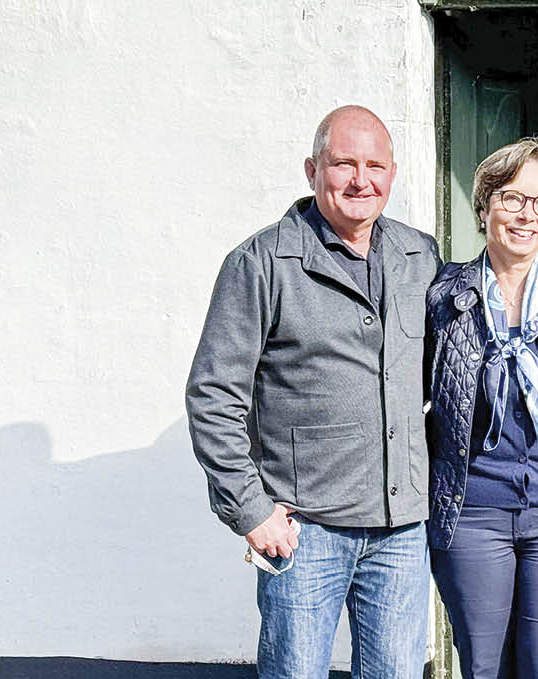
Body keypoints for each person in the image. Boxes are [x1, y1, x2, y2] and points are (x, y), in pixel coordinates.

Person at [185, 105, 441, 678]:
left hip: (401, 531)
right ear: (311, 169)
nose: (361, 180)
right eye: (343, 163)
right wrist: (250, 510)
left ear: (393, 174)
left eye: (375, 165)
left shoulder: (419, 256)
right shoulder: (261, 262)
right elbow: (212, 395)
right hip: (304, 535)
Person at [425, 138, 538, 678]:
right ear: (483, 207)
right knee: (485, 667)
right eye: (511, 198)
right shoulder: (442, 296)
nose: (527, 215)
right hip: (470, 512)